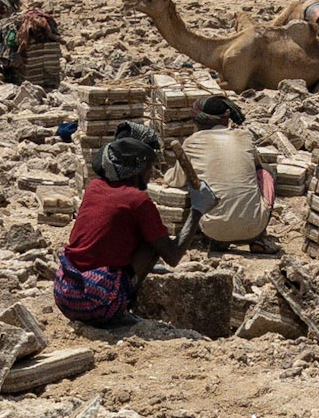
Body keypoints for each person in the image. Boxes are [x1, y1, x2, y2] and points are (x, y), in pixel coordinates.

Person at [52, 124, 213, 327]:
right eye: (149, 169)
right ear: (137, 170)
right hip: (98, 303)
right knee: (153, 244)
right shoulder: (137, 200)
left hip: (65, 291)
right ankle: (123, 307)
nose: (151, 174)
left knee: (143, 233)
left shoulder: (94, 187)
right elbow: (173, 256)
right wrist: (197, 210)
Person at [176, 96, 275, 249]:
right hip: (254, 227)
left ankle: (218, 240)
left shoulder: (191, 142)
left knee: (195, 182)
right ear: (225, 118)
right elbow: (257, 166)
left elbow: (177, 179)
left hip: (212, 229)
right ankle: (257, 238)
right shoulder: (244, 136)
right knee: (266, 172)